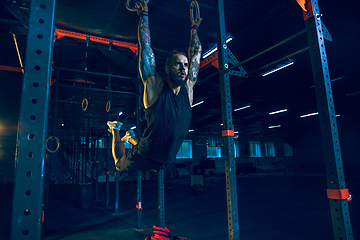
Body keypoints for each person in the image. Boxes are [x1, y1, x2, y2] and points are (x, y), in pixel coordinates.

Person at [107, 0, 202, 172]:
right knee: (119, 164)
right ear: (167, 68)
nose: (183, 68)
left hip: (167, 158)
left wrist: (194, 28)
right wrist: (144, 14)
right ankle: (115, 129)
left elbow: (196, 54)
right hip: (146, 154)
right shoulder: (155, 86)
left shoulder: (188, 89)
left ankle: (131, 138)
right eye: (177, 64)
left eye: (186, 65)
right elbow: (145, 47)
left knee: (157, 164)